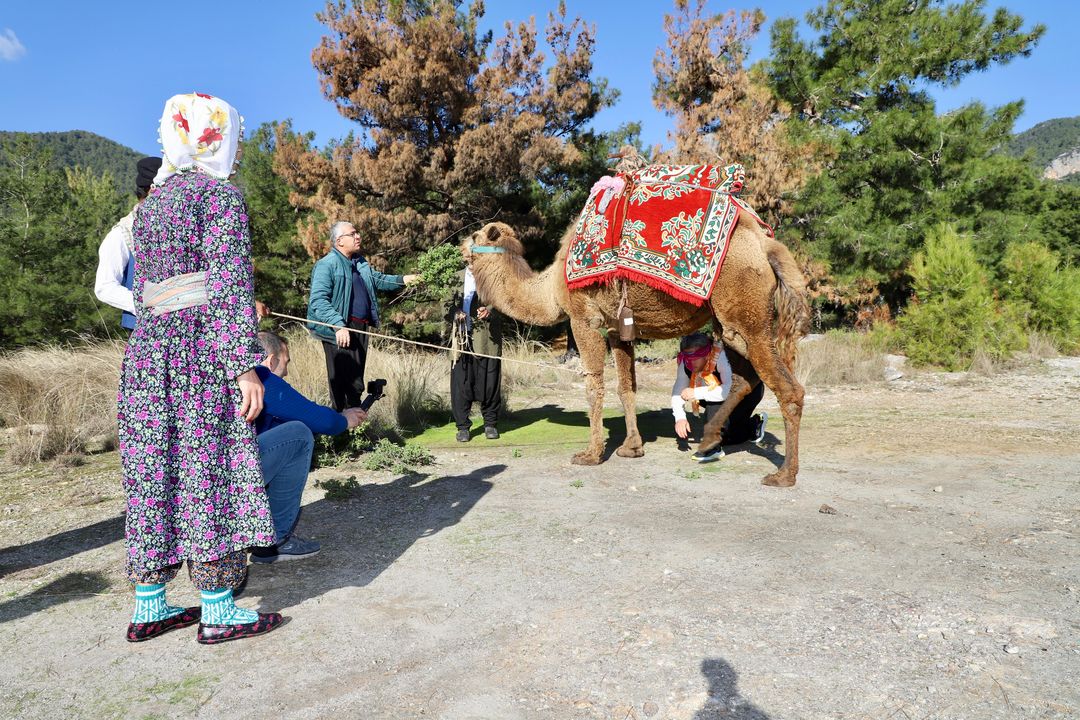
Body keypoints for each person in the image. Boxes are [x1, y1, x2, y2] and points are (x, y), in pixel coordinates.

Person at [119, 92, 282, 645]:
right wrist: (244, 365)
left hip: (147, 352)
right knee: (206, 465)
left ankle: (150, 604)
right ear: (215, 136)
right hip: (199, 349)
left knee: (152, 471)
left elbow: (141, 292)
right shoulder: (218, 197)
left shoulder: (152, 205)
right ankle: (217, 609)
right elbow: (230, 285)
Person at [248, 331, 366, 564]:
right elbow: (319, 420)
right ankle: (275, 541)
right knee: (299, 435)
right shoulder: (262, 377)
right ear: (271, 360)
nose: (287, 371)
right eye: (286, 362)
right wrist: (344, 420)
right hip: (236, 477)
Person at [307, 221, 420, 410]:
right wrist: (338, 325)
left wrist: (405, 280)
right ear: (340, 241)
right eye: (353, 234)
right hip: (340, 330)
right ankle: (342, 433)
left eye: (357, 232)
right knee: (342, 386)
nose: (358, 236)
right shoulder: (326, 265)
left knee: (356, 384)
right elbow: (318, 300)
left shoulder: (360, 263)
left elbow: (379, 280)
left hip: (360, 328)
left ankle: (356, 428)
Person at [672, 333, 768, 463]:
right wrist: (680, 418)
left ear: (707, 354)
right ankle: (753, 426)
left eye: (696, 357)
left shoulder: (721, 357)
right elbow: (678, 391)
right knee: (728, 437)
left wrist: (696, 392)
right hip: (718, 394)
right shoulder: (685, 364)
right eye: (687, 357)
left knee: (714, 405)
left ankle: (712, 449)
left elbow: (727, 390)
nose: (691, 362)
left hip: (748, 393)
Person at [94, 157, 162, 331]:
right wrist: (147, 304)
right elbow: (105, 287)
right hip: (143, 331)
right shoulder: (122, 233)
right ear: (151, 191)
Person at [448, 267, 503, 442]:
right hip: (461, 340)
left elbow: (504, 303)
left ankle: (490, 424)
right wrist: (455, 313)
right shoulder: (454, 277)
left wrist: (489, 311)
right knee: (461, 385)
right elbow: (446, 305)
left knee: (489, 384)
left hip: (487, 341)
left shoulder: (493, 276)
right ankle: (463, 427)